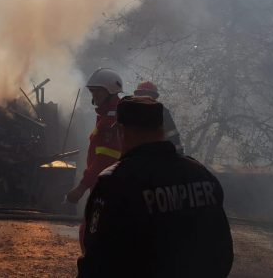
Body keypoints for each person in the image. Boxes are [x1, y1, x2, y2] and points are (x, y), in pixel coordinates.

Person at [77, 96, 233, 278]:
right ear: (162, 130)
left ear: (122, 131)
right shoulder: (201, 175)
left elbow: (95, 262)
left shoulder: (114, 182)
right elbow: (223, 254)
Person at [66, 68, 124, 204]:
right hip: (106, 185)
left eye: (98, 91)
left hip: (108, 188)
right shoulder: (108, 115)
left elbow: (104, 160)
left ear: (111, 92)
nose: (94, 95)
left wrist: (81, 188)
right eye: (92, 91)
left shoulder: (111, 120)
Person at [134, 81, 184, 155]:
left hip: (156, 154)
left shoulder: (163, 112)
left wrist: (179, 154)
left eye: (148, 95)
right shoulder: (130, 111)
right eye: (142, 94)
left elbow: (173, 135)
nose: (145, 98)